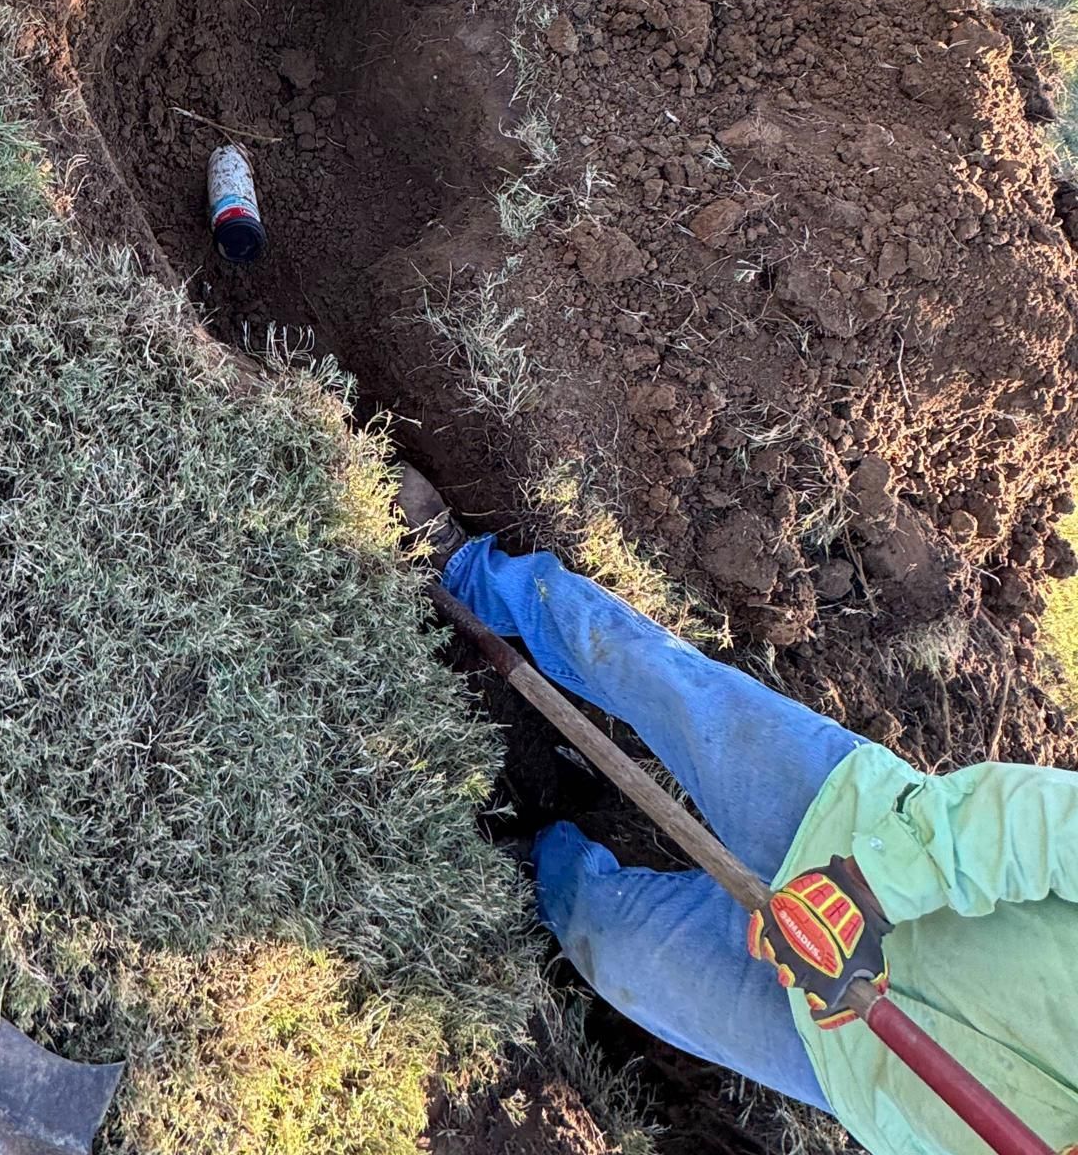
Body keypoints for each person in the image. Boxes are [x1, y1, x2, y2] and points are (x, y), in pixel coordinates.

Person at [397, 472, 1078, 1155]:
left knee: (612, 946)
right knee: (652, 677)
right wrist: (870, 886)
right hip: (856, 836)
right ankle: (471, 574)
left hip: (845, 1049)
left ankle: (531, 845)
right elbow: (1051, 828)